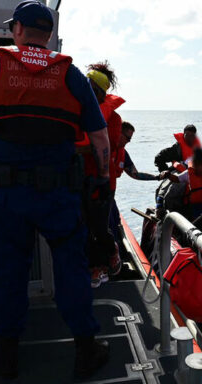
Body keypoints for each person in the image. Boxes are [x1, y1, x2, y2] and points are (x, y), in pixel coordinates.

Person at [0, 1, 109, 379]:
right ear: (48, 34)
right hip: (58, 195)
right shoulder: (70, 74)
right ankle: (85, 349)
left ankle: (7, 354)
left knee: (9, 271)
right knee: (71, 269)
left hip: (7, 196)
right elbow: (99, 137)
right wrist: (103, 178)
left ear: (19, 31)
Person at [77, 61, 124, 288]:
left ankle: (111, 250)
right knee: (82, 225)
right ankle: (94, 267)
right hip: (78, 178)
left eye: (89, 86)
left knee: (98, 226)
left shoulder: (113, 119)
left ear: (99, 91)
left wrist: (73, 146)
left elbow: (107, 145)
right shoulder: (77, 111)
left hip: (104, 181)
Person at [109, 122, 159, 247]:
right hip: (96, 197)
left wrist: (157, 177)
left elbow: (135, 174)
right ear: (118, 133)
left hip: (109, 197)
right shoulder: (102, 147)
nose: (129, 141)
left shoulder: (122, 153)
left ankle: (118, 252)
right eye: (127, 138)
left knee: (115, 222)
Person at [160, 148, 202, 220]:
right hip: (196, 206)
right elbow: (177, 179)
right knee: (197, 221)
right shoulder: (189, 173)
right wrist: (168, 175)